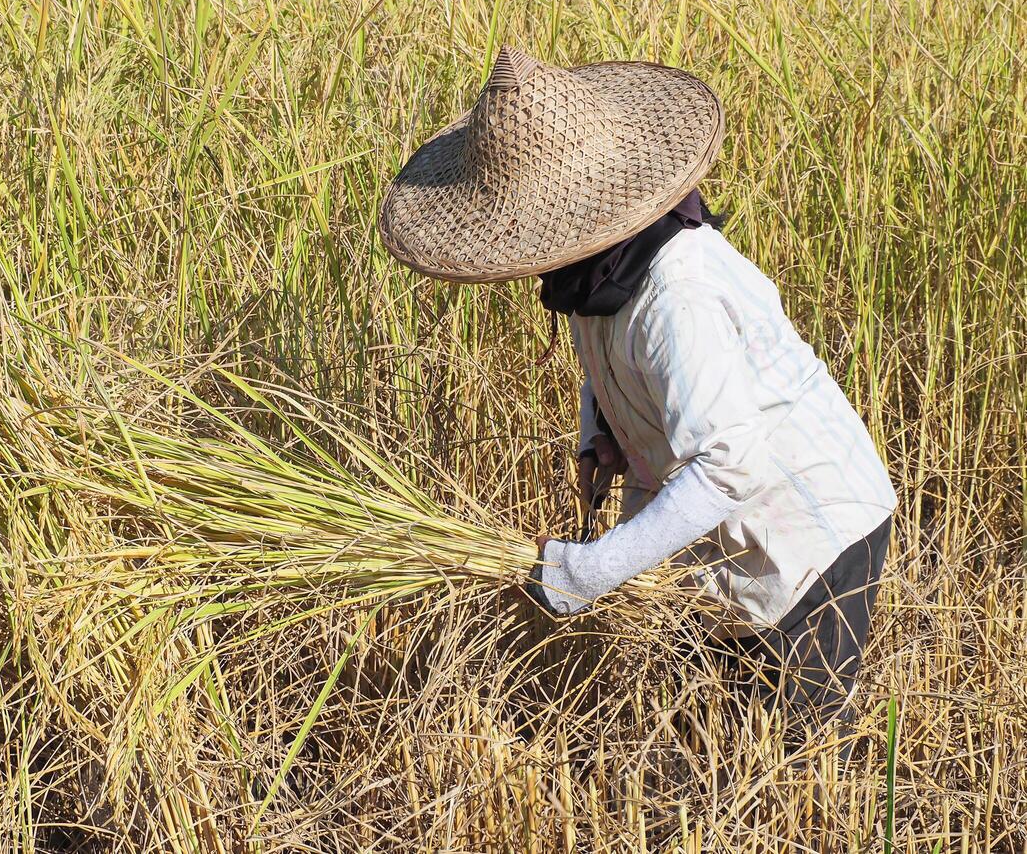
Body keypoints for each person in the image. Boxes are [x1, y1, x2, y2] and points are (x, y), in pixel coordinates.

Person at [378, 45, 896, 732]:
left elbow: (727, 467)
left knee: (794, 756)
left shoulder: (678, 294)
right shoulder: (592, 274)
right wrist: (600, 432)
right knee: (709, 730)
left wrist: (592, 571)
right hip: (709, 531)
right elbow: (609, 362)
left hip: (802, 531)